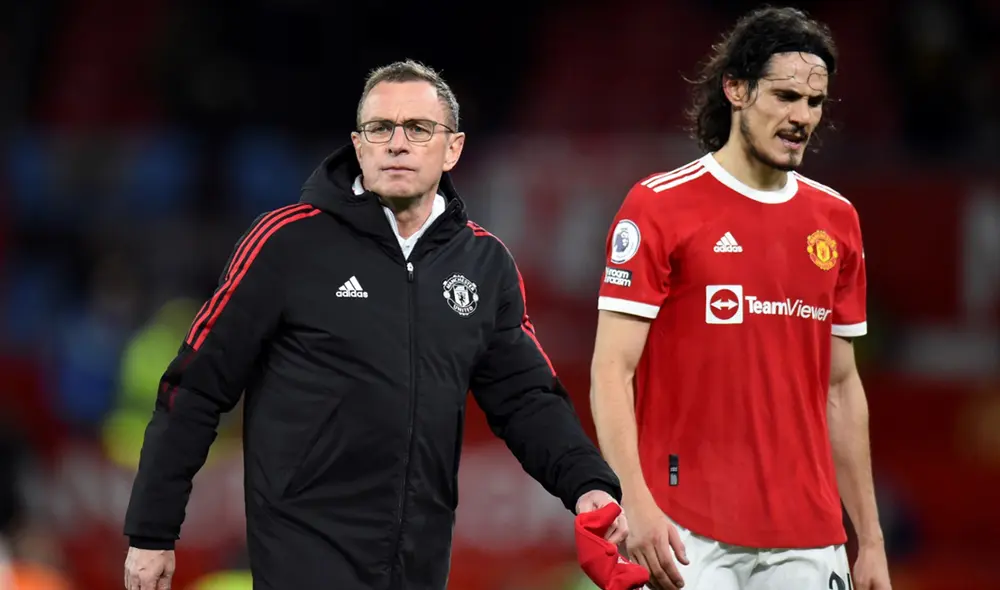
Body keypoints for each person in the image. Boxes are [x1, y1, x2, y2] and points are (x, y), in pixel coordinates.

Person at [123, 60, 627, 590]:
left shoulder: (484, 264)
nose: (397, 143)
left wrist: (586, 484)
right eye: (380, 129)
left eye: (418, 129)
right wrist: (153, 531)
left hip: (420, 563)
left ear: (452, 148)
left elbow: (526, 399)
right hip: (303, 555)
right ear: (359, 145)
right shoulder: (287, 243)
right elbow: (195, 389)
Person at [590, 7, 892, 590]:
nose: (801, 117)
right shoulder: (659, 207)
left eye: (814, 102)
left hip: (810, 535)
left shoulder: (837, 221)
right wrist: (637, 501)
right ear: (735, 88)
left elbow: (841, 387)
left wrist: (871, 539)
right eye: (784, 97)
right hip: (684, 530)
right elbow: (611, 369)